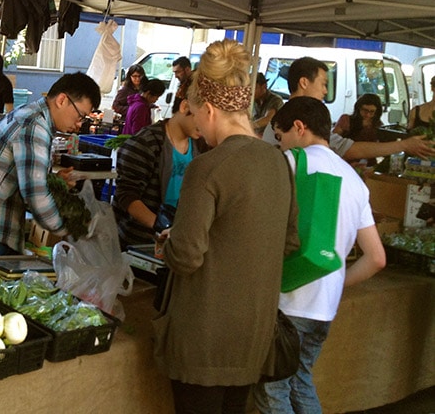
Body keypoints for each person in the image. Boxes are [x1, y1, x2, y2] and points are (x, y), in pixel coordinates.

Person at [153, 39, 299, 414]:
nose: (197, 125)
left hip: (203, 337)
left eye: (197, 113)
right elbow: (287, 241)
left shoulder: (208, 166)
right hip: (253, 335)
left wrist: (167, 243)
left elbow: (185, 256)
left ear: (211, 109)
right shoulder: (278, 161)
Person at [254, 97, 386, 414]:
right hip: (323, 310)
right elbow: (376, 258)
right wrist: (335, 281)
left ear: (299, 127)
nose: (281, 145)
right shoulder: (355, 180)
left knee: (273, 390)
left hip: (288, 303)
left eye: (280, 136)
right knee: (301, 382)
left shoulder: (292, 163)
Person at [0, 72, 102, 255]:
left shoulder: (32, 114)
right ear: (62, 100)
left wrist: (55, 180)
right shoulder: (34, 127)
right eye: (81, 116)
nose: (80, 124)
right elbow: (36, 197)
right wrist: (74, 231)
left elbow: (26, 176)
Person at [262, 57, 435, 161]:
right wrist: (404, 145)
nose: (325, 91)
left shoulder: (294, 116)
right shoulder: (291, 119)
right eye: (323, 84)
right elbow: (349, 149)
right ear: (304, 82)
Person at [113, 79, 204, 247]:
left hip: (178, 243)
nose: (206, 125)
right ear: (185, 107)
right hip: (139, 244)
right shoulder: (145, 143)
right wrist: (161, 226)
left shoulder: (200, 146)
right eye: (203, 117)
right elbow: (126, 196)